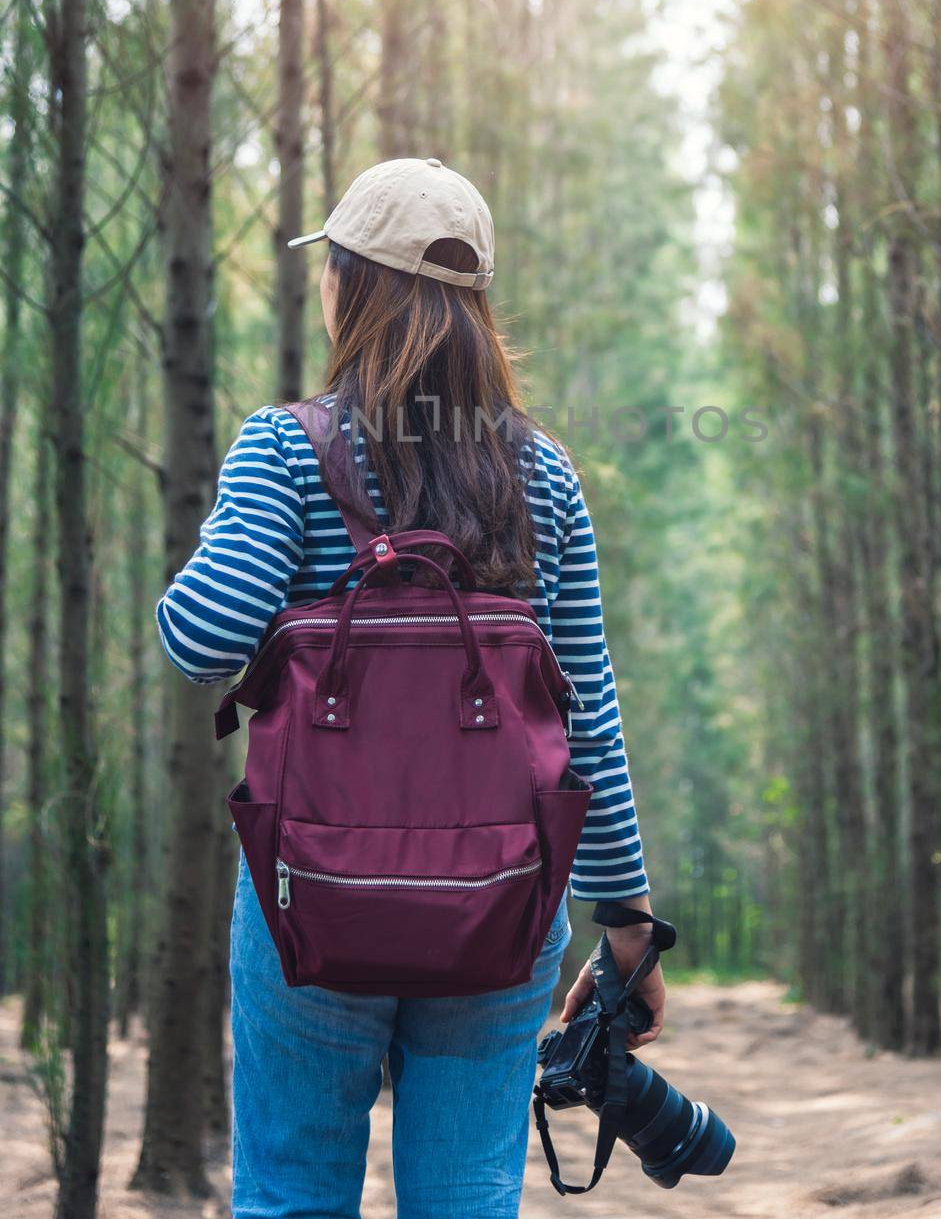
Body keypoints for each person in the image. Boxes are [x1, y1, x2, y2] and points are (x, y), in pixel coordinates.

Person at [157, 157, 664, 1219]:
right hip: (502, 902)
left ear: (348, 286)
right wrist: (626, 924)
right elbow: (590, 722)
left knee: (293, 1197)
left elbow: (200, 639)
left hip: (312, 894)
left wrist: (243, 526)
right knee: (468, 1202)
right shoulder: (542, 475)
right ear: (475, 307)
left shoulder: (287, 449)